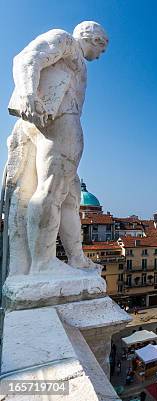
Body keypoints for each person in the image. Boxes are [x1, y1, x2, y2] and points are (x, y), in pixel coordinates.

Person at [5, 21, 109, 277]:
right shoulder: (64, 41)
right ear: (93, 38)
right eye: (102, 48)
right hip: (59, 118)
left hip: (54, 117)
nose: (100, 55)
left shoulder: (78, 61)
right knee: (52, 190)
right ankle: (42, 264)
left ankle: (76, 259)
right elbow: (27, 57)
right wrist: (28, 94)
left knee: (71, 197)